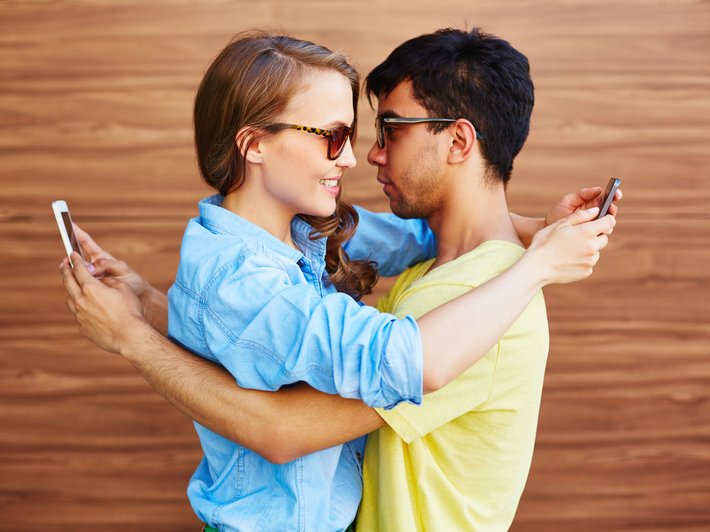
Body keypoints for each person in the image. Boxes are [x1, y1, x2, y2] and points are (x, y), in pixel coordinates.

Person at [60, 30, 617, 531]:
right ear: (254, 144)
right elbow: (388, 349)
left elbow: (413, 247)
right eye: (333, 137)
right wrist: (540, 257)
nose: (356, 158)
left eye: (384, 131)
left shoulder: (458, 295)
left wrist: (539, 238)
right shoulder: (259, 262)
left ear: (458, 141)